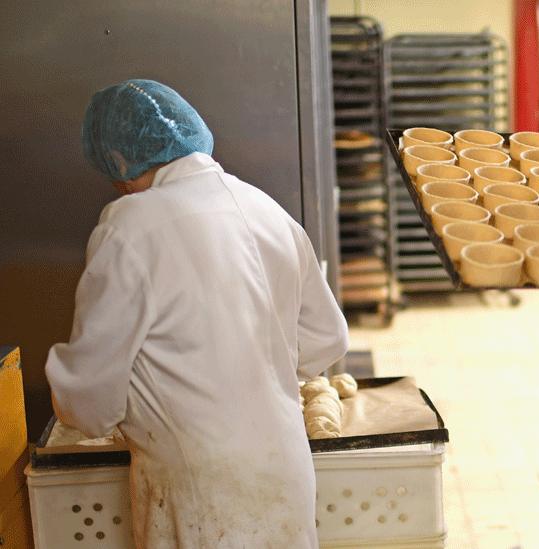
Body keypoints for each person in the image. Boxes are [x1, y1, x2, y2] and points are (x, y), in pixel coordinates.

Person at [45, 79, 349, 548]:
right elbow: (326, 341)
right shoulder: (267, 209)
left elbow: (89, 395)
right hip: (285, 470)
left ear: (121, 164)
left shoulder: (130, 227)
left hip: (198, 490)